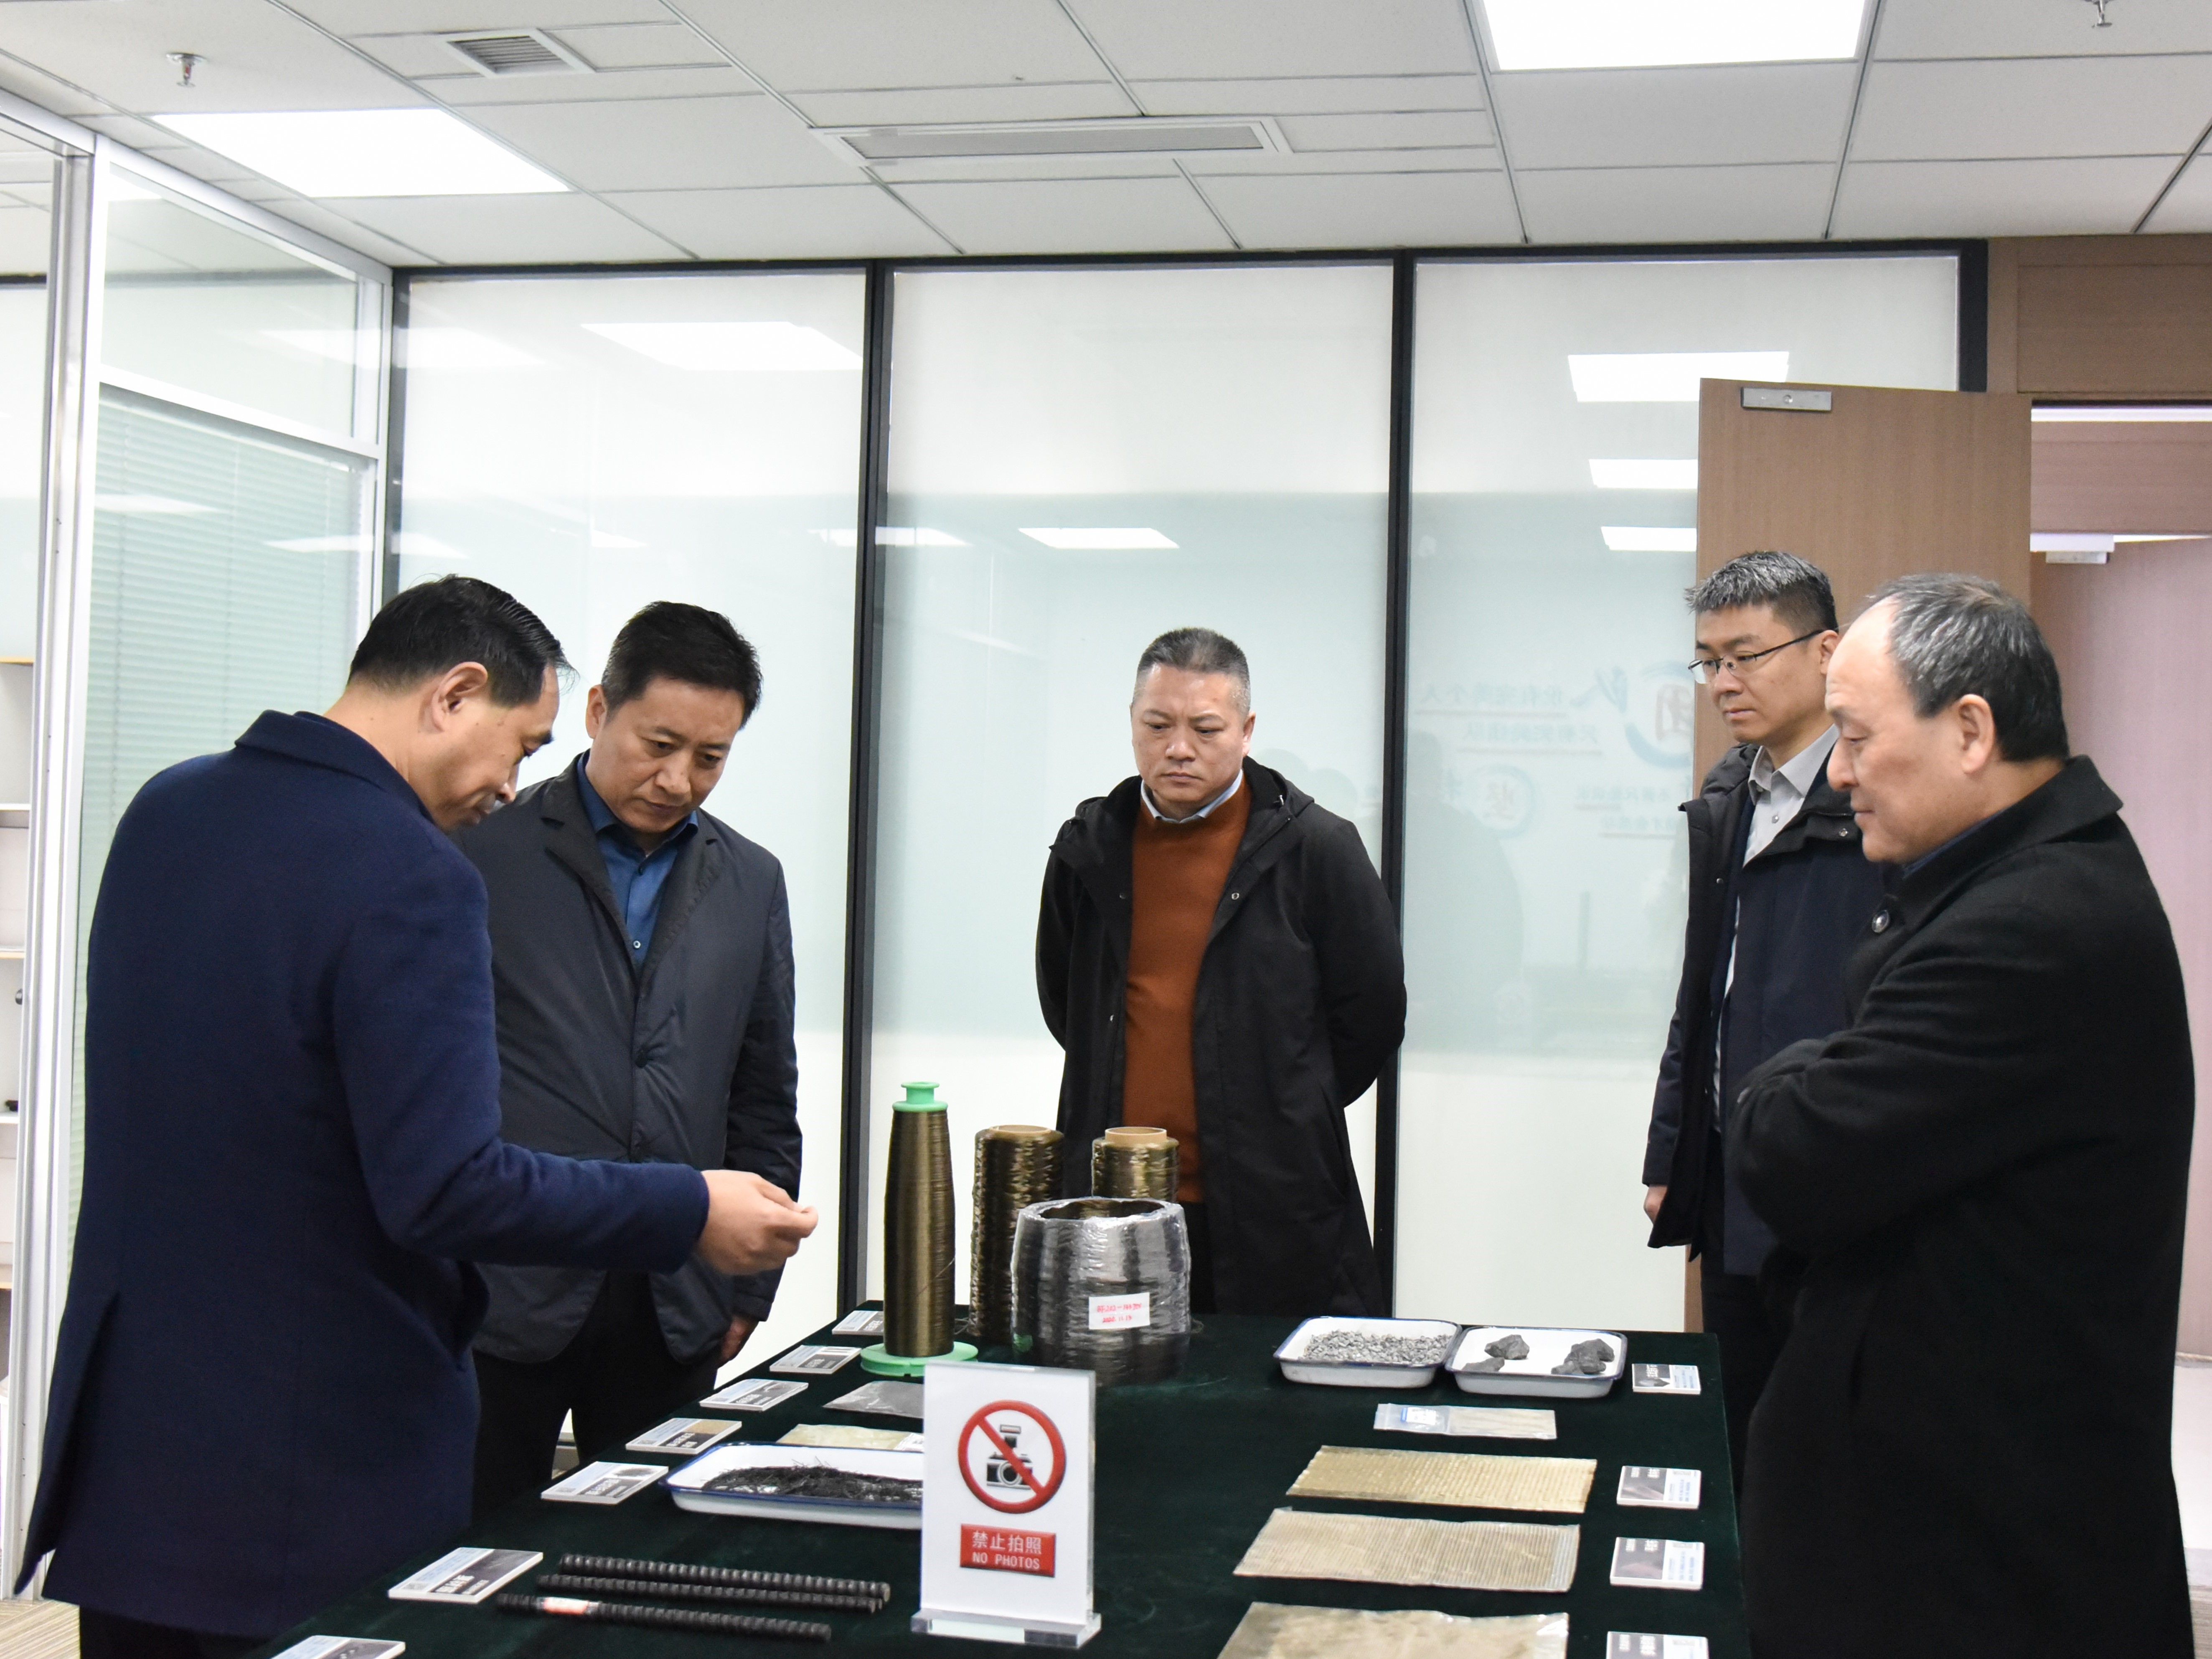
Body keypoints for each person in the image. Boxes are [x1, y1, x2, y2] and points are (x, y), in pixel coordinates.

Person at [25, 577, 818, 1657]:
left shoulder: (167, 808)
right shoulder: (416, 869)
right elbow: (445, 1187)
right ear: (455, 693)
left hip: (136, 1459)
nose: (510, 783)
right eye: (521, 745)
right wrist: (690, 1208)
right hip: (310, 1473)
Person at [1731, 574, 2193, 1656]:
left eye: (1855, 738)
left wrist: (1775, 1079)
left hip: (1978, 1553)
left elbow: (1794, 1155)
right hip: (1946, 1512)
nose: (1838, 776)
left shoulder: (2032, 923)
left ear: (1972, 731)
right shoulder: (2005, 884)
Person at [460, 602, 801, 1516]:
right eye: (660, 745)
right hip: (504, 1288)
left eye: (711, 757)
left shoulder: (751, 880)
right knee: (476, 1541)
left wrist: (749, 1286)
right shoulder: (480, 851)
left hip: (675, 1291)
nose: (678, 779)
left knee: (657, 1548)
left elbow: (763, 1093)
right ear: (598, 710)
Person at [1036, 627, 1403, 1316]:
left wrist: (1284, 1103)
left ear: (1246, 730)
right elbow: (1067, 1005)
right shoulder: (1088, 848)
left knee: (1265, 1375)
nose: (1179, 748)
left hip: (1273, 1199)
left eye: (1205, 729)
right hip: (1118, 1204)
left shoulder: (1316, 848)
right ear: (1132, 723)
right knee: (1120, 1376)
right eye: (1158, 726)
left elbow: (1374, 1014)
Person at [1641, 550, 1885, 1478]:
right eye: (1708, 661)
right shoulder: (1728, 795)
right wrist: (1671, 1150)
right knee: (1740, 1436)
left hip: (1837, 1177)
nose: (1722, 683)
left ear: (1825, 651)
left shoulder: (1873, 796)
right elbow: (1703, 990)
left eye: (1745, 656)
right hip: (1731, 1170)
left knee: (1829, 1451)